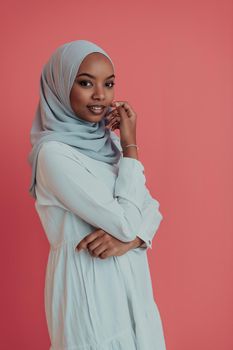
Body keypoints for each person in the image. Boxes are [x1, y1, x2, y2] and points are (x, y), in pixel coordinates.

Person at [28, 39, 167, 350]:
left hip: (134, 286)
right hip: (89, 290)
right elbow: (126, 221)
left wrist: (130, 240)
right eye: (85, 82)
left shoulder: (110, 146)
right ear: (61, 85)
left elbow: (152, 210)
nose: (100, 95)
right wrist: (131, 146)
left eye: (109, 83)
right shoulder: (54, 156)